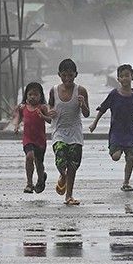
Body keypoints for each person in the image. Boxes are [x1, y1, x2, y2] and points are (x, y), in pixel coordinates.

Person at [89, 64, 133, 192]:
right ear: (118, 79)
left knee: (130, 157)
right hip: (116, 130)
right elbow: (103, 109)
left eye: (127, 75)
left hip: (130, 130)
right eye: (122, 76)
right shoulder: (114, 94)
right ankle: (116, 149)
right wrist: (94, 123)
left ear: (132, 77)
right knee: (116, 156)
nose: (125, 78)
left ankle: (126, 182)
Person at [47, 58, 89, 205]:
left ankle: (69, 196)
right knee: (60, 157)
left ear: (75, 74)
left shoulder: (81, 91)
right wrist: (49, 112)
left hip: (75, 133)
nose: (67, 79)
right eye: (64, 75)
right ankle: (62, 175)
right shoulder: (54, 90)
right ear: (59, 75)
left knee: (73, 165)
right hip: (59, 131)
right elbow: (50, 107)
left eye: (70, 75)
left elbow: (86, 113)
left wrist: (82, 104)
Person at [9, 82, 51, 193]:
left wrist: (43, 116)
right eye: (30, 94)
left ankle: (41, 179)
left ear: (41, 96)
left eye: (36, 95)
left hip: (40, 140)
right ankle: (29, 183)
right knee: (29, 156)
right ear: (26, 95)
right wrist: (16, 125)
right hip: (28, 139)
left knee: (39, 163)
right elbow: (18, 117)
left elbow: (51, 120)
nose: (33, 97)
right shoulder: (22, 108)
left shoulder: (42, 107)